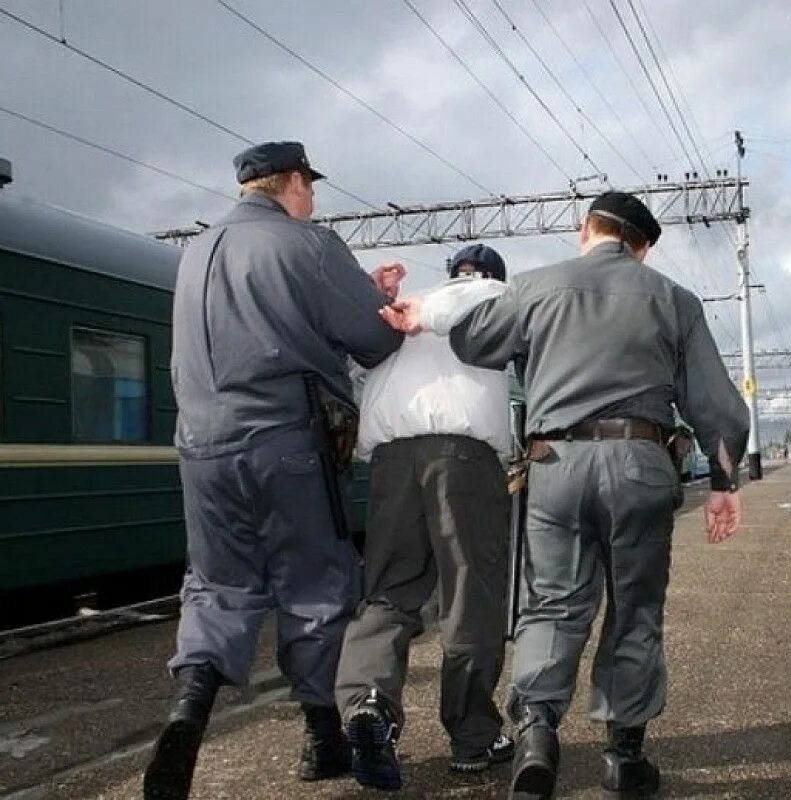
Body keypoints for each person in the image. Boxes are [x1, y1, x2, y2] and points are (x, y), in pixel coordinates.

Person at [384, 192, 750, 799]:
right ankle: (623, 759)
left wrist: (432, 311)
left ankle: (536, 736)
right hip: (641, 462)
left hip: (555, 462)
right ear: (643, 247)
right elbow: (714, 403)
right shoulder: (674, 300)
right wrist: (723, 481)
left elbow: (476, 341)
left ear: (586, 230)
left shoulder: (536, 287)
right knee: (634, 609)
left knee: (552, 604)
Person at [144, 142, 404, 800]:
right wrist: (376, 301)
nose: (313, 200)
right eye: (310, 187)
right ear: (291, 183)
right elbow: (375, 341)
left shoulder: (194, 254)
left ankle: (188, 711)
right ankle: (322, 741)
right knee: (315, 585)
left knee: (215, 585)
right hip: (286, 442)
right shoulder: (308, 244)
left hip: (201, 447)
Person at [334, 244, 516, 791]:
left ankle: (369, 703)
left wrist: (382, 300)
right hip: (462, 459)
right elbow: (484, 291)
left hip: (392, 461)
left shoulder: (399, 311)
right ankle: (473, 738)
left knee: (388, 588)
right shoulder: (489, 296)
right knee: (469, 592)